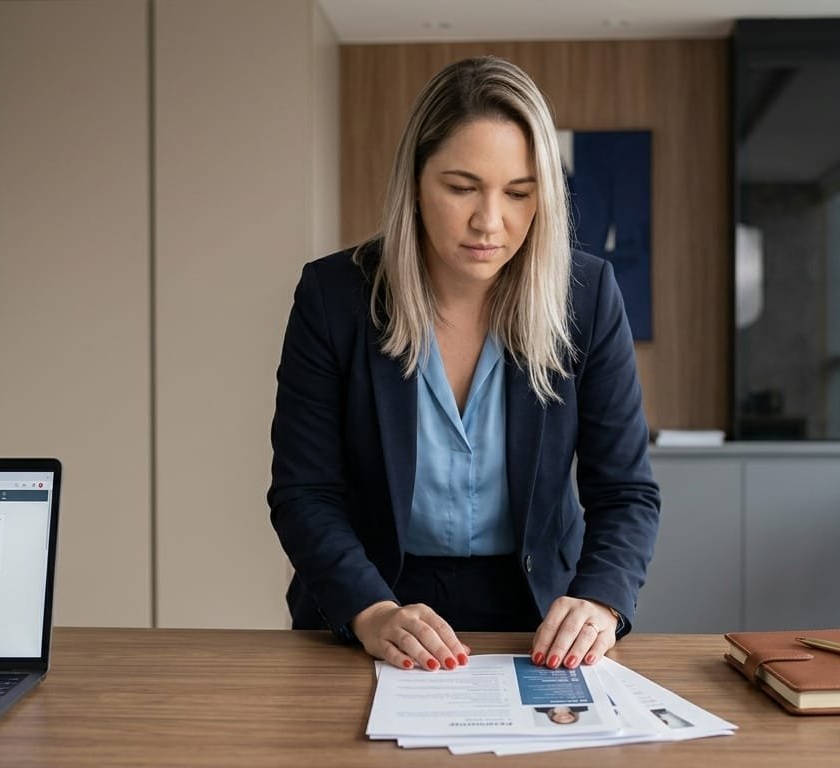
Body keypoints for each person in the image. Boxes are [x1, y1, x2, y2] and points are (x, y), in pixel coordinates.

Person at [268, 56, 659, 674]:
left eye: (519, 193)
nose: (490, 221)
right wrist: (369, 611)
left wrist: (601, 600)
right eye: (460, 187)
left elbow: (626, 492)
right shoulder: (332, 297)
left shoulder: (586, 293)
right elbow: (305, 491)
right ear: (415, 183)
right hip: (373, 606)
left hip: (537, 610)